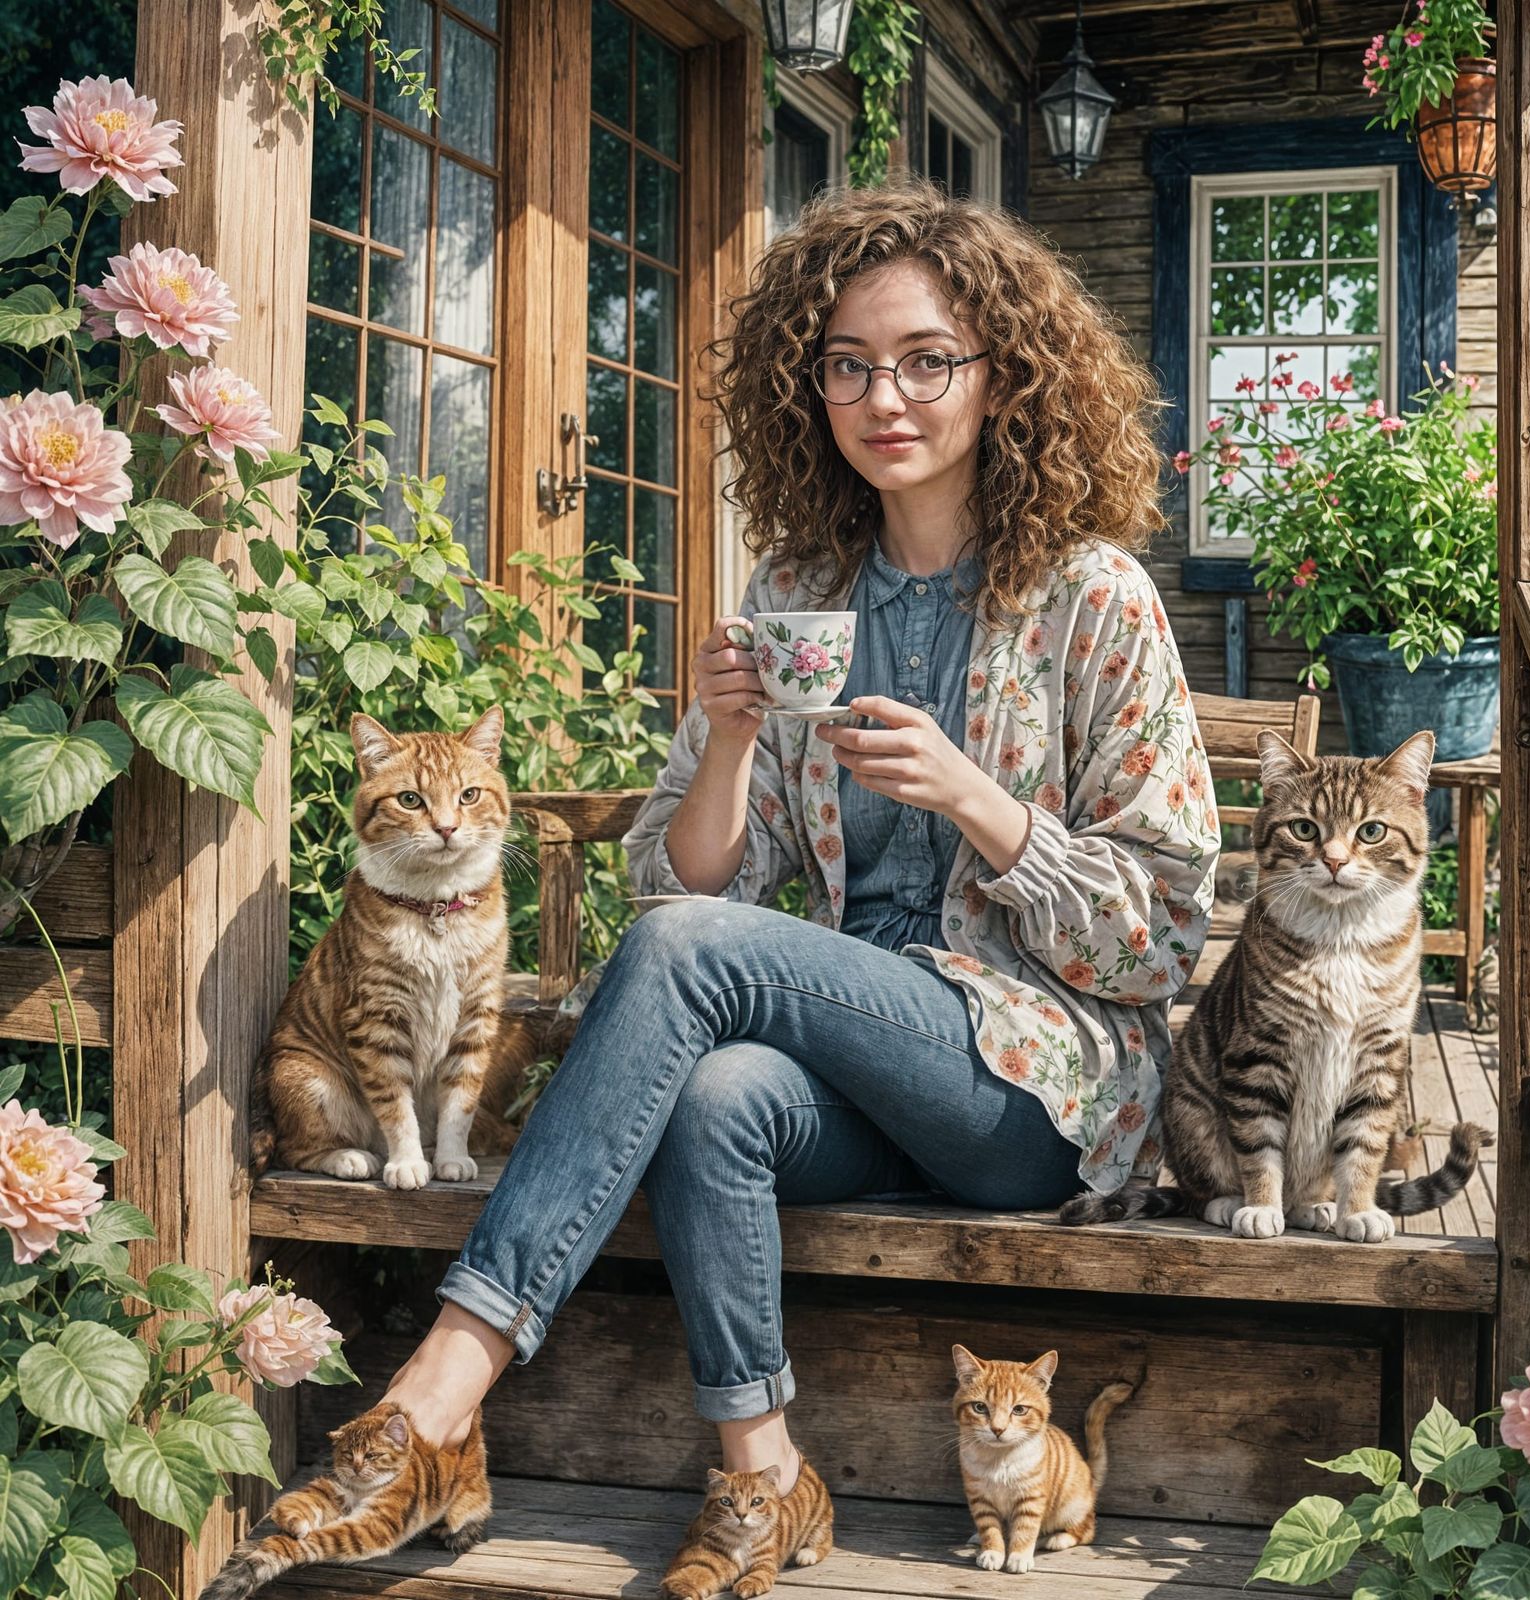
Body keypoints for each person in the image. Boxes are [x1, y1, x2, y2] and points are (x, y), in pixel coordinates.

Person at [371, 178, 1220, 1509]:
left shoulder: (1092, 597)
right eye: (850, 366)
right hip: (848, 1057)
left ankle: (438, 1394)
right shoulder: (798, 598)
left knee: (690, 959)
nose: (889, 397)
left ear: (1005, 380)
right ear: (808, 391)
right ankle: (763, 1476)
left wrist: (975, 803)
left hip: (1029, 1089)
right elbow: (683, 884)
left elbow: (1163, 931)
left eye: (930, 360)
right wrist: (722, 738)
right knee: (715, 1098)